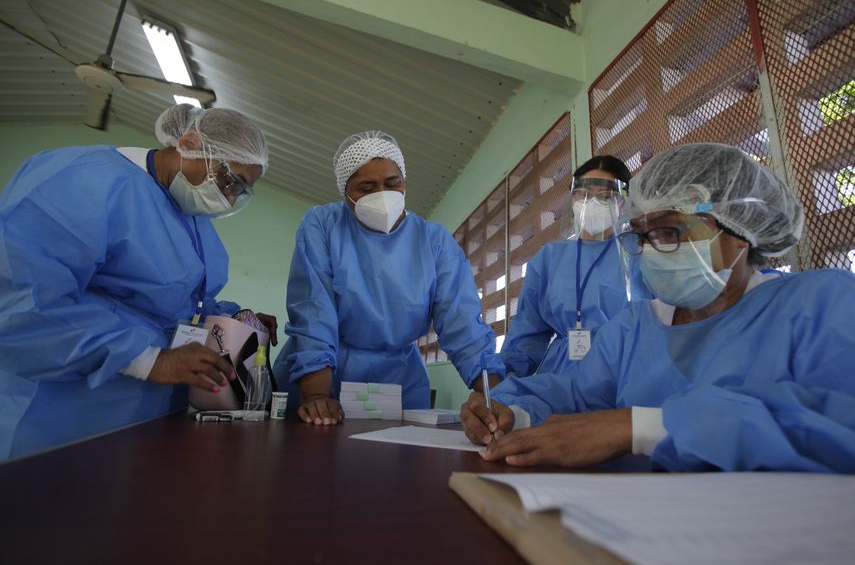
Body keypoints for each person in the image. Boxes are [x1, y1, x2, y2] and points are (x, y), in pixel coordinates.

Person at [461, 143, 855, 473]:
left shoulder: (821, 305)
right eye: (642, 234)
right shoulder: (636, 327)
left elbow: (836, 419)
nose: (651, 249)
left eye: (669, 230)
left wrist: (641, 427)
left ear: (739, 232)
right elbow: (574, 393)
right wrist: (512, 412)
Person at [0, 103, 277, 460]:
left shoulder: (190, 216)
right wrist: (148, 360)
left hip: (146, 416)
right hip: (60, 416)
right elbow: (21, 301)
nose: (230, 197)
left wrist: (235, 319)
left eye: (242, 191)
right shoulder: (88, 180)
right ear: (190, 145)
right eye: (230, 180)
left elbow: (181, 306)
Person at [275, 130, 503, 425]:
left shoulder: (433, 241)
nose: (382, 194)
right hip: (324, 375)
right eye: (366, 188)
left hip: (400, 380)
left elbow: (462, 323)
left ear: (404, 181)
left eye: (392, 183)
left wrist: (494, 397)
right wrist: (317, 395)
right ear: (345, 192)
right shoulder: (323, 226)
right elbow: (313, 311)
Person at [501, 156, 651, 377]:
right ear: (573, 199)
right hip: (562, 373)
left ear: (622, 202)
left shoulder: (639, 251)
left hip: (627, 369)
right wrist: (506, 379)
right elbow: (527, 332)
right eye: (583, 194)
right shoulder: (550, 258)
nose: (592, 202)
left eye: (605, 196)